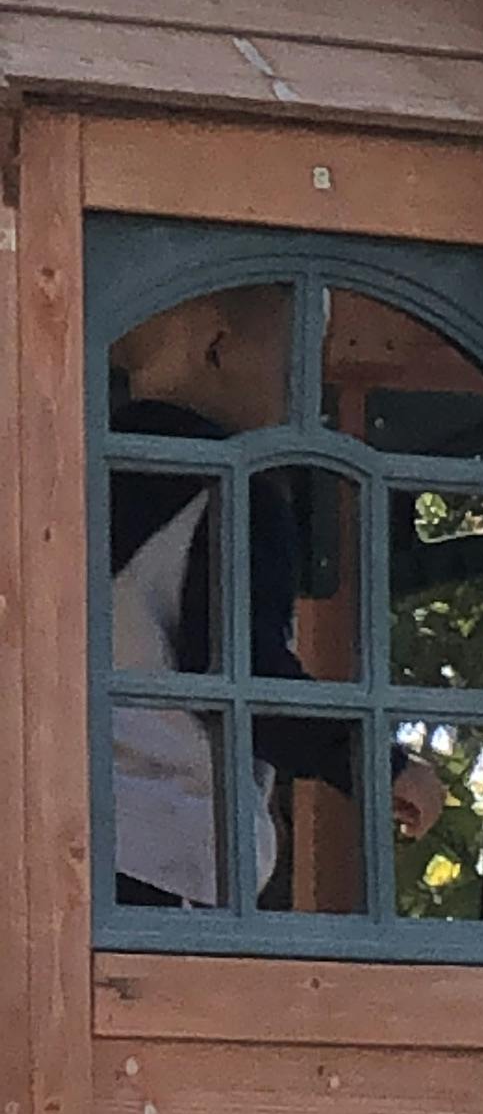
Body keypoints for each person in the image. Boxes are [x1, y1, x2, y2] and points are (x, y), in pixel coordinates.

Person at [107, 291, 443, 913]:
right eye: (296, 370)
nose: (303, 401)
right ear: (218, 346)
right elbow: (242, 675)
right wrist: (376, 763)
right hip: (167, 855)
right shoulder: (237, 489)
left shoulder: (62, 476)